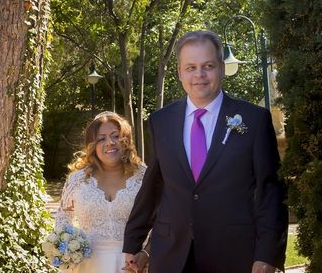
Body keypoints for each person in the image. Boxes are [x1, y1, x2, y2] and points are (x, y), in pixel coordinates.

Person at [123, 30, 288, 273]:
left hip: (234, 255)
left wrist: (267, 256)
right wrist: (133, 240)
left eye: (207, 66)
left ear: (221, 68)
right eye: (191, 67)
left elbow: (270, 193)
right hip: (171, 254)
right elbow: (155, 183)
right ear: (179, 72)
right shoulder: (160, 121)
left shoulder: (254, 120)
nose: (199, 75)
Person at [54, 112, 149, 272]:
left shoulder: (143, 177)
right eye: (101, 138)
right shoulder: (78, 179)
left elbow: (159, 220)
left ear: (126, 140)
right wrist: (68, 249)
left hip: (132, 264)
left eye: (116, 136)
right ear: (93, 145)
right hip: (87, 265)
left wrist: (146, 253)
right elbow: (63, 219)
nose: (110, 143)